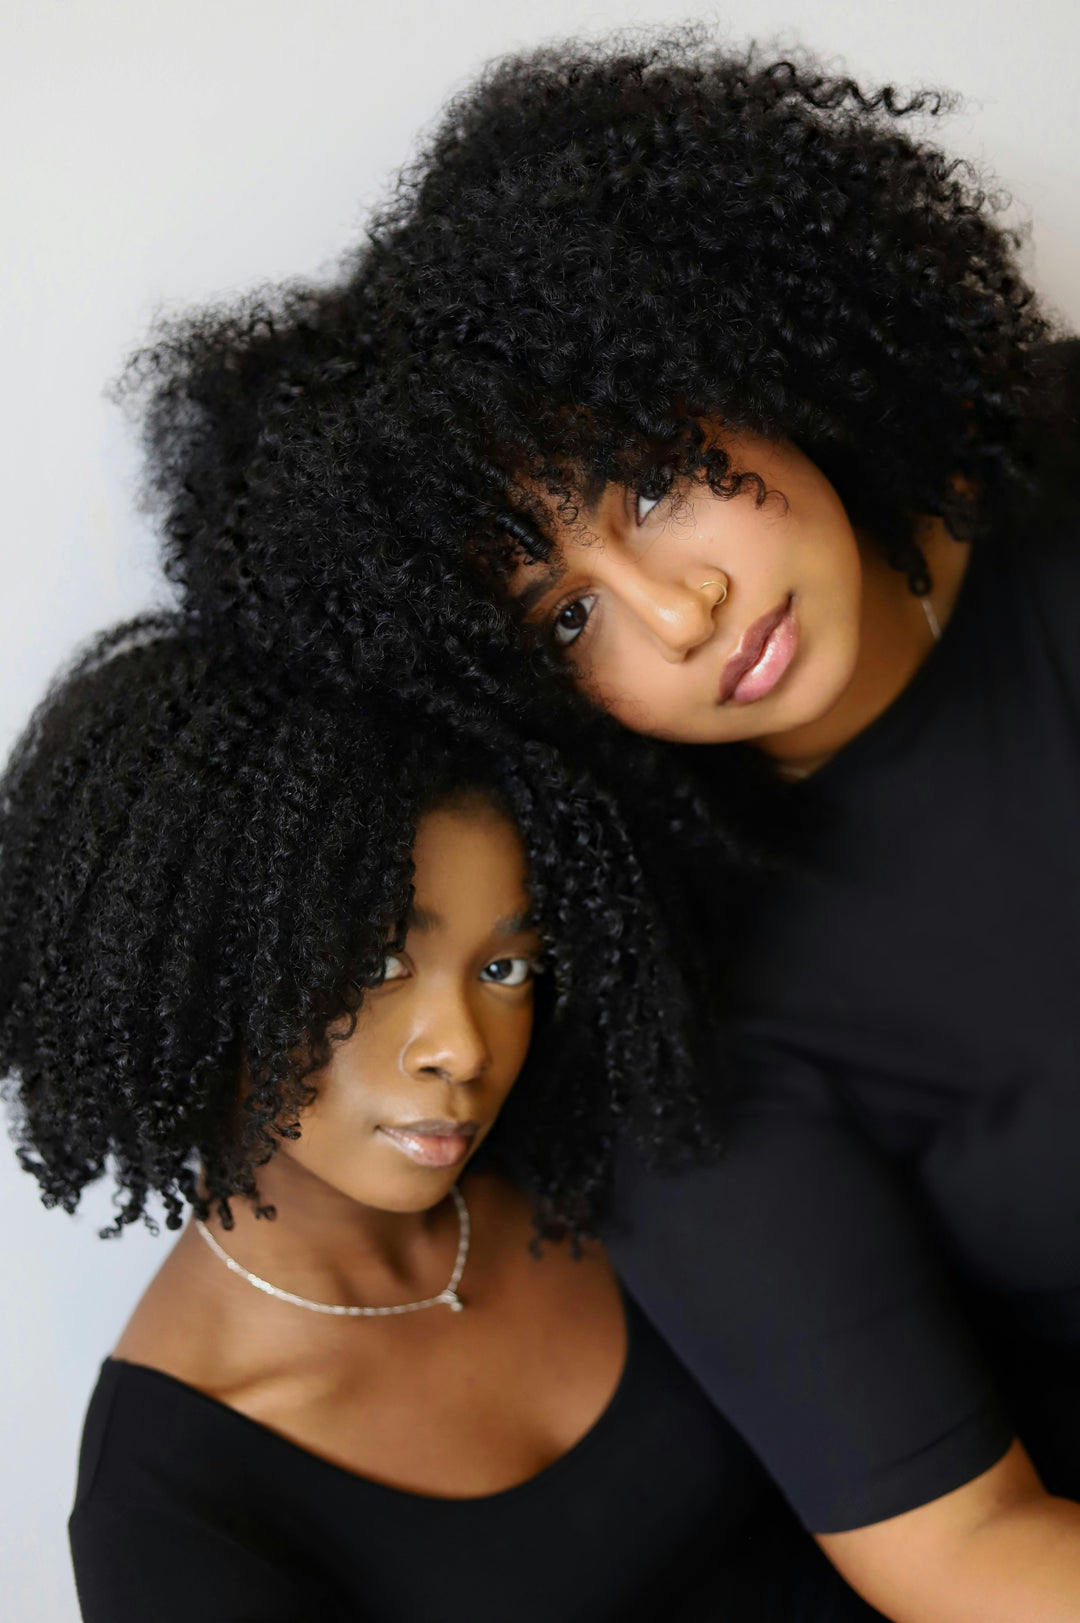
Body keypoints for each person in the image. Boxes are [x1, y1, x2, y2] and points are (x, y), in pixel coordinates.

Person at [112, 30, 1080, 1622]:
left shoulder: (1057, 442)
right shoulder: (695, 1028)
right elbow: (960, 1553)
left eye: (646, 485)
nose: (682, 608)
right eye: (567, 623)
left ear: (738, 349)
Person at [0, 618, 885, 1622]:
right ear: (192, 972)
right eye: (375, 965)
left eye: (506, 968)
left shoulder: (601, 1154)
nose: (464, 1048)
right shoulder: (177, 1506)